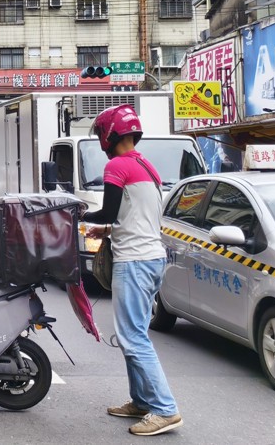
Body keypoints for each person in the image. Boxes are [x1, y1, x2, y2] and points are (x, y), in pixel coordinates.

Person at [81, 104, 182, 436]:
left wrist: (78, 213)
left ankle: (165, 409)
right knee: (134, 334)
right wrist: (108, 230)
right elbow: (134, 216)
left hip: (134, 261)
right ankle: (141, 401)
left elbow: (108, 212)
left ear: (109, 135)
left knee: (133, 337)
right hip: (151, 258)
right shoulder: (146, 166)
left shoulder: (117, 165)